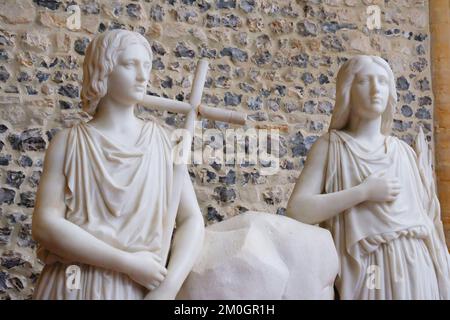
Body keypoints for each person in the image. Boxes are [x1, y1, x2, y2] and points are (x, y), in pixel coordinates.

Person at [32, 30, 204, 300]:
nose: (142, 75)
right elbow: (45, 224)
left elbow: (192, 220)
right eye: (129, 64)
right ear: (103, 71)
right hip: (75, 285)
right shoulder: (68, 143)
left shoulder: (166, 143)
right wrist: (128, 263)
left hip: (138, 290)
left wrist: (168, 287)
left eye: (146, 65)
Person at [286, 55, 450, 299]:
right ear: (347, 90)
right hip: (366, 267)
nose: (376, 89)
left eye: (383, 82)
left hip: (416, 264)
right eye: (365, 81)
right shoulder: (331, 147)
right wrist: (362, 192)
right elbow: (298, 210)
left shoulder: (403, 152)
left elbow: (427, 223)